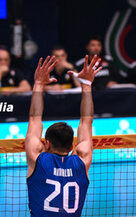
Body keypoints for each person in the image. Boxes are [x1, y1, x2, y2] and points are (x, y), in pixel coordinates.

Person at [26, 55, 102, 216]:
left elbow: (34, 119)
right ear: (72, 146)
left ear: (46, 144)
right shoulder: (82, 160)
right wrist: (87, 85)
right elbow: (86, 122)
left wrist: (38, 83)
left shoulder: (38, 159)